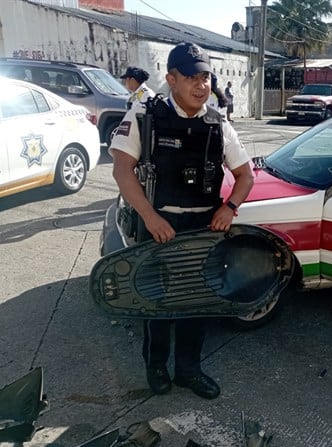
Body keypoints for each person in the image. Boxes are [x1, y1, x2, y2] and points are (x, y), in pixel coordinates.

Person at [109, 42, 254, 398]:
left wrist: (229, 208)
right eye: (191, 77)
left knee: (196, 302)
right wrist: (149, 216)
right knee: (156, 302)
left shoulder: (218, 122)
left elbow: (245, 175)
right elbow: (122, 170)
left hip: (203, 230)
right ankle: (156, 367)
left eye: (205, 76)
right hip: (158, 226)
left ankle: (189, 370)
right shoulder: (146, 114)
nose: (201, 85)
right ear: (171, 79)